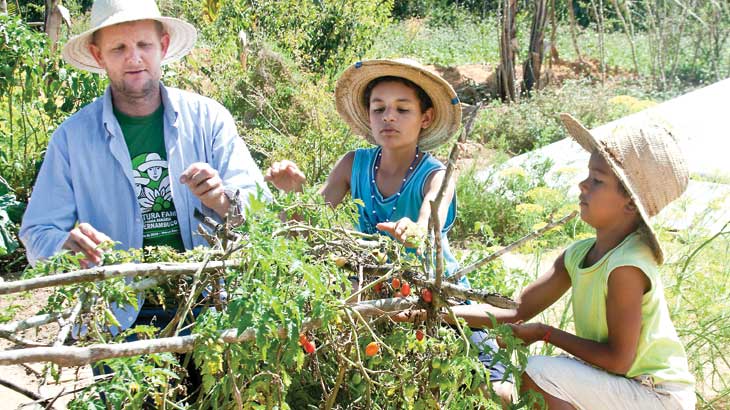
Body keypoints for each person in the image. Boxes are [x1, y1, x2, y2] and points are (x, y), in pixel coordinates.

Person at [265, 58, 513, 401]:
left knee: (496, 391)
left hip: (440, 298)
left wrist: (417, 228)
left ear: (424, 118)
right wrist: (293, 193)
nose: (388, 117)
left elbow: (431, 215)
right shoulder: (354, 164)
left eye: (402, 109)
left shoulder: (436, 174)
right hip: (375, 298)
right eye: (378, 108)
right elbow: (311, 225)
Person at [18, 0, 271, 333]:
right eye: (119, 48)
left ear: (162, 46)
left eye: (143, 45)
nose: (133, 58)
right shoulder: (73, 138)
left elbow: (262, 211)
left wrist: (222, 200)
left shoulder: (208, 119)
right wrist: (66, 245)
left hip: (210, 308)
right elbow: (37, 233)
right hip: (114, 316)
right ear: (98, 56)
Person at [439, 114, 696, 409]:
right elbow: (515, 310)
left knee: (537, 373)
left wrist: (544, 333)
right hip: (625, 389)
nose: (582, 185)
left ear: (629, 202)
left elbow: (619, 360)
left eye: (597, 181)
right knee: (522, 383)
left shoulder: (626, 266)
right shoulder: (578, 255)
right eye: (588, 175)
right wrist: (433, 311)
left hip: (657, 396)